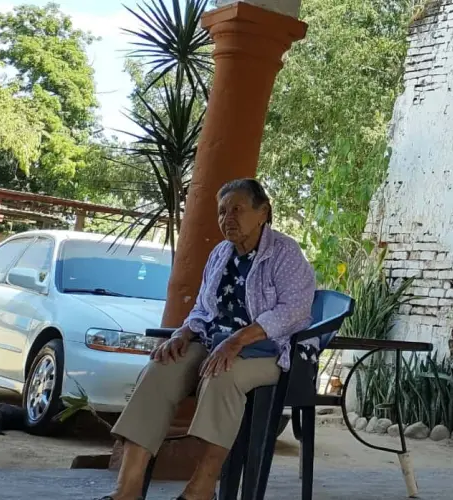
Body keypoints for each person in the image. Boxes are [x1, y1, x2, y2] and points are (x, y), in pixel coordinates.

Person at [99, 179, 317, 500]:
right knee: (159, 369)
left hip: (266, 351)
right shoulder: (221, 253)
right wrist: (183, 333)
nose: (227, 218)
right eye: (222, 211)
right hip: (213, 343)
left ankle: (201, 488)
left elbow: (294, 311)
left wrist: (240, 339)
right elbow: (203, 307)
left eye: (237, 210)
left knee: (222, 374)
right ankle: (127, 490)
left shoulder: (285, 253)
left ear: (263, 213)